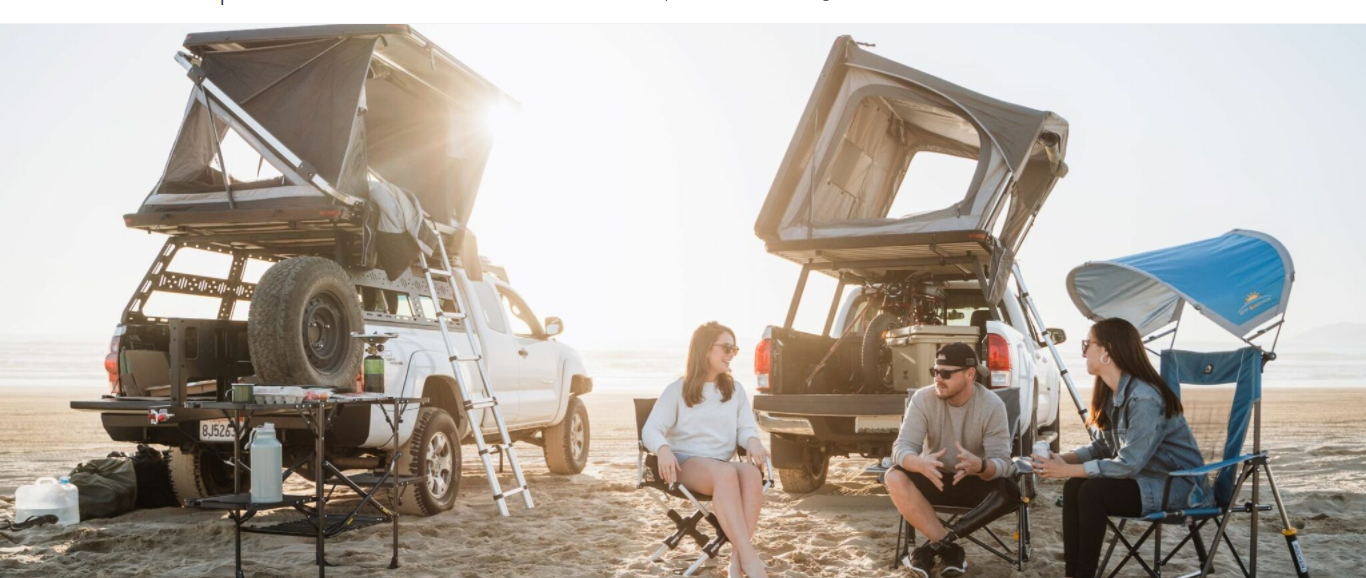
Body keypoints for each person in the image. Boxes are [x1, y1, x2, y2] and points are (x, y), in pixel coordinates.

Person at [1032, 317, 1205, 578]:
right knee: (1074, 486)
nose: (1084, 352)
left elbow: (1129, 464)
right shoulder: (1113, 395)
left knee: (1092, 491)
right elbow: (1102, 448)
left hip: (1177, 487)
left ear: (1107, 351)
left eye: (1087, 344)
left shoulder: (1144, 397)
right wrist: (1058, 461)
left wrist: (1065, 470)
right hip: (1144, 481)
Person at [642, 321, 770, 578]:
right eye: (726, 348)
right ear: (705, 349)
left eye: (735, 349)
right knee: (726, 473)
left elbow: (745, 428)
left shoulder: (735, 390)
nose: (731, 354)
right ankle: (750, 560)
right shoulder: (677, 390)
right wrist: (663, 449)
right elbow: (651, 429)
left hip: (720, 466)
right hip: (684, 464)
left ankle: (737, 560)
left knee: (751, 474)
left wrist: (753, 441)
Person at [885, 342, 1019, 578]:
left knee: (1009, 488)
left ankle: (930, 551)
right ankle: (949, 549)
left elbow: (1003, 463)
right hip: (933, 478)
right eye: (935, 371)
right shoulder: (923, 399)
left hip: (975, 483)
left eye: (946, 373)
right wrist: (919, 464)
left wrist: (980, 466)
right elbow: (901, 447)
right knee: (893, 476)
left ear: (970, 374)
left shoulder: (991, 405)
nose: (938, 378)